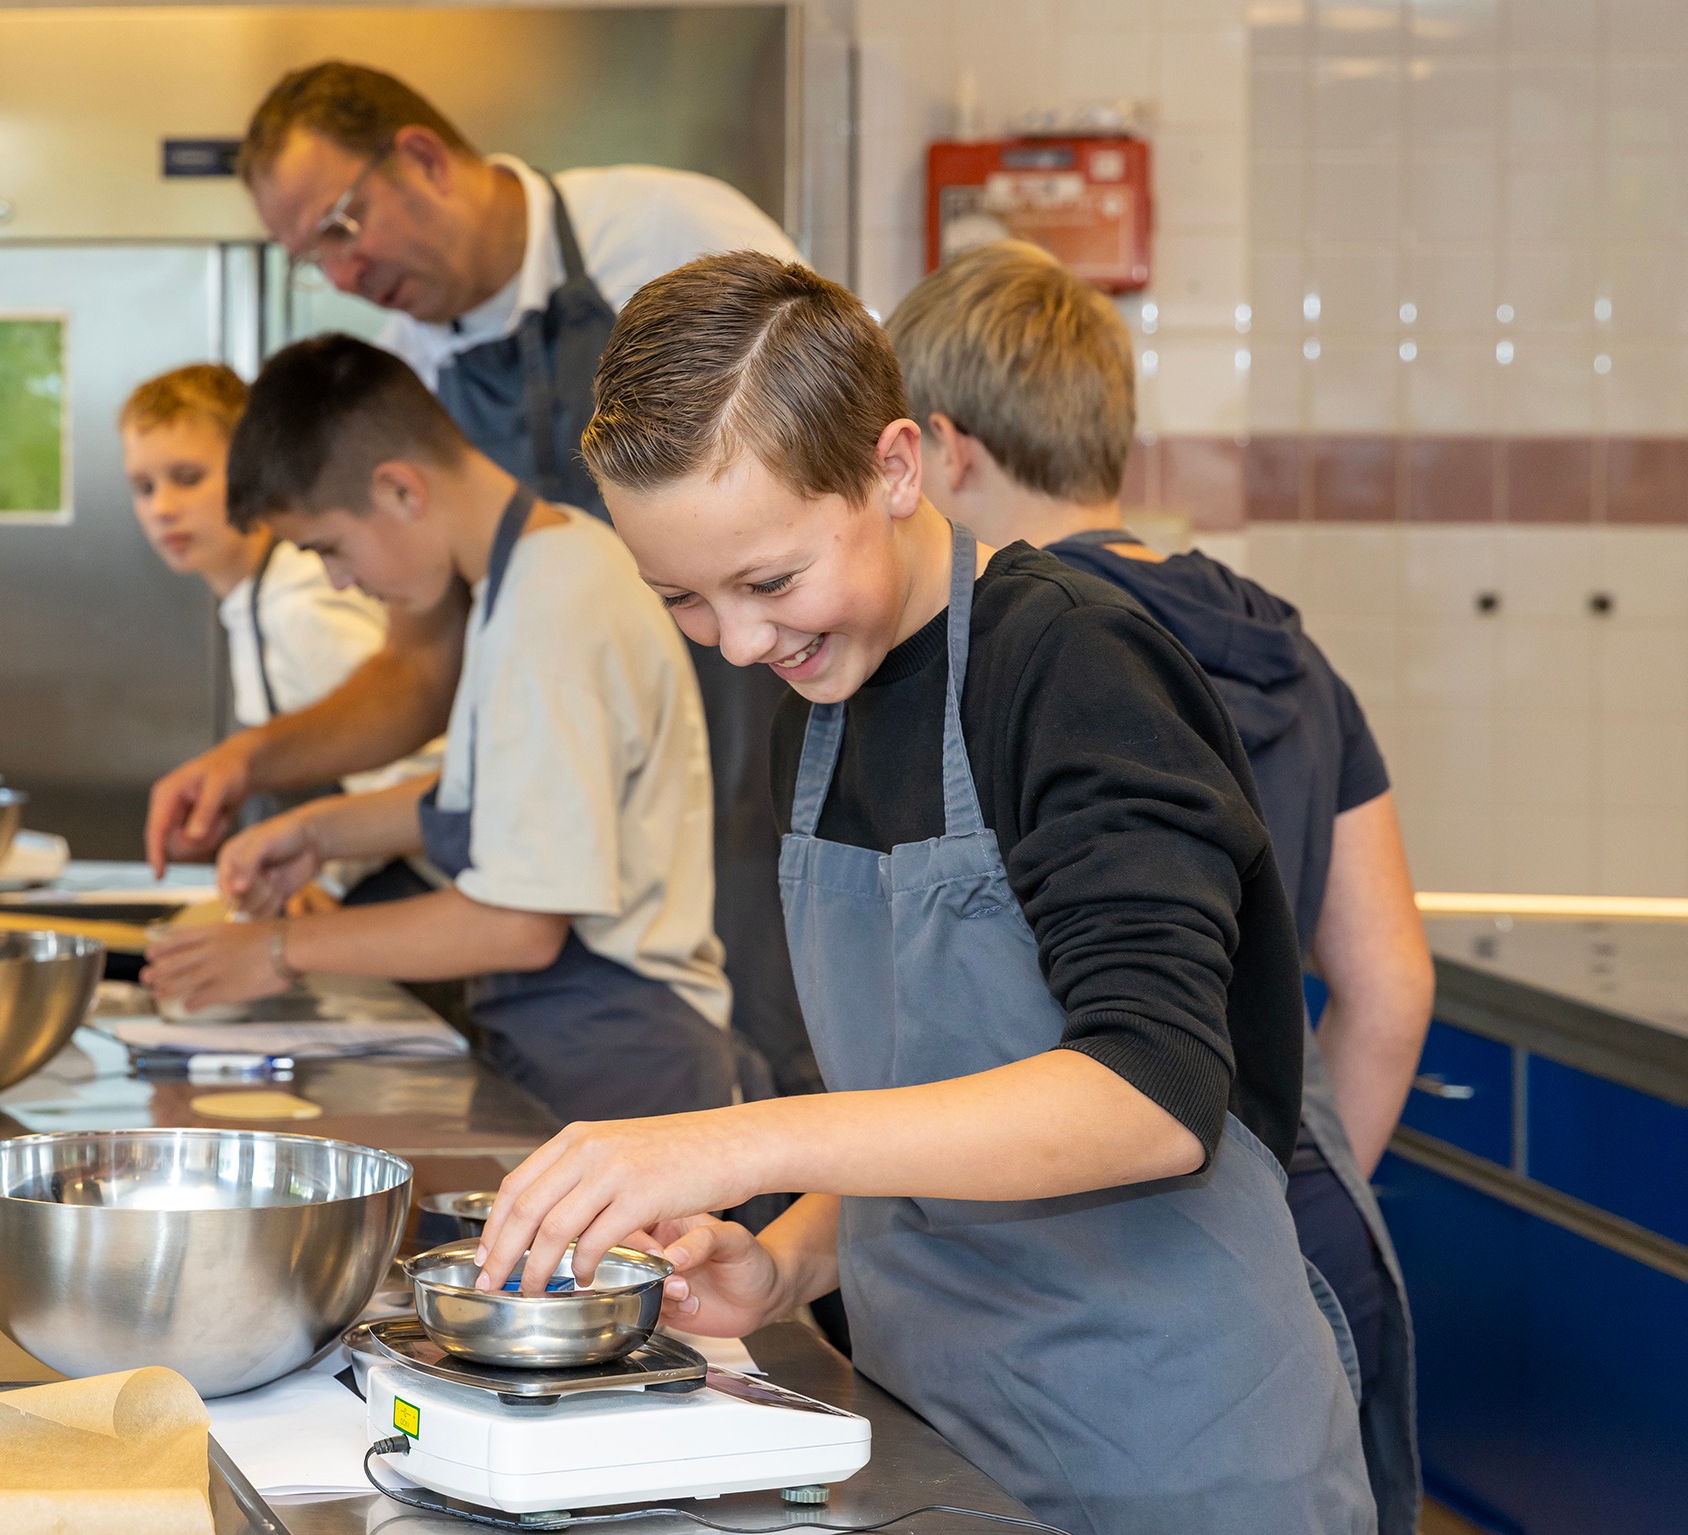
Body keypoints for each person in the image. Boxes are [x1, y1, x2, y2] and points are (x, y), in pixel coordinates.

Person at [468, 252, 1375, 1535]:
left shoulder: (1071, 666)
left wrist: (736, 1140)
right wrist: (783, 1258)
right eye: (680, 596)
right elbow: (941, 1087)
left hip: (1168, 1459)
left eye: (768, 580)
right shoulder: (827, 702)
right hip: (939, 1443)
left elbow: (1146, 1093)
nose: (736, 640)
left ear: (896, 467)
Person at [885, 240, 1431, 1535]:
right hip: (1314, 1233)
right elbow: (1387, 984)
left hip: (1115, 1282)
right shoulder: (1282, 647)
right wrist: (1285, 1178)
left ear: (946, 452)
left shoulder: (1023, 659)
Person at [143, 62, 819, 1097]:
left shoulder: (671, 234)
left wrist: (277, 950)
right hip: (630, 909)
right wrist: (284, 794)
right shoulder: (498, 533)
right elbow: (462, 737)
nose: (338, 269)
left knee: (794, 1095)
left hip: (781, 751)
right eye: (307, 257)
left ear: (418, 156)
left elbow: (837, 485)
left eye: (337, 225)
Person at [140, 334, 743, 1124]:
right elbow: (509, 796)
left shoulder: (552, 605)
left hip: (623, 1052)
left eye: (330, 547)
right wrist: (321, 832)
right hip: (571, 1037)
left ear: (398, 490)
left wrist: (276, 951)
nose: (341, 579)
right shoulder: (523, 576)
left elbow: (521, 923)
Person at [120, 363, 440, 903]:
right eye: (143, 487)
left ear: (251, 472)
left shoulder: (302, 608)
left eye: (188, 478)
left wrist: (328, 876)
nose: (162, 509)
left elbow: (423, 782)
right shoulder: (252, 600)